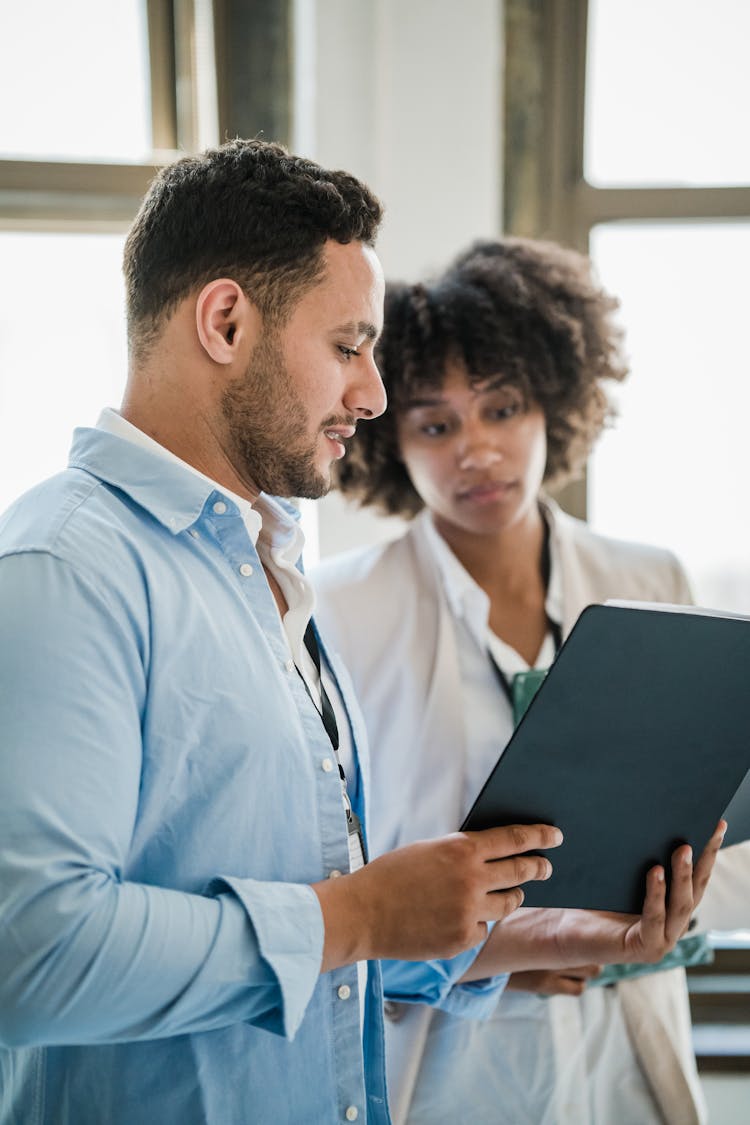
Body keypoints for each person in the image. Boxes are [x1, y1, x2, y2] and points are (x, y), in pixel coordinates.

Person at [0, 146, 722, 1125]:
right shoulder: (63, 567)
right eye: (348, 346)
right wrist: (357, 914)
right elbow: (29, 955)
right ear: (225, 322)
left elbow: (327, 955)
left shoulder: (262, 567)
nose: (373, 395)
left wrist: (538, 938)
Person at [312, 237, 749, 1125]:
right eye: (436, 424)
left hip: (627, 1051)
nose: (476, 449)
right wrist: (501, 945)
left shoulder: (653, 580)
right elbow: (337, 880)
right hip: (448, 1070)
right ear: (391, 442)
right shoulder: (341, 612)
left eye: (502, 408)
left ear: (555, 401)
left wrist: (632, 923)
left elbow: (724, 827)